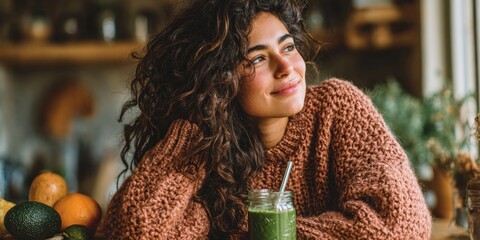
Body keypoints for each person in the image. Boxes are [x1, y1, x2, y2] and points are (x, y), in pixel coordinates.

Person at [103, 0, 432, 239]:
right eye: (257, 58)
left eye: (288, 47)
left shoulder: (337, 110)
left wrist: (255, 234)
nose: (286, 66)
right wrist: (192, 124)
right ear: (219, 80)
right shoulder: (209, 157)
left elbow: (399, 227)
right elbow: (137, 232)